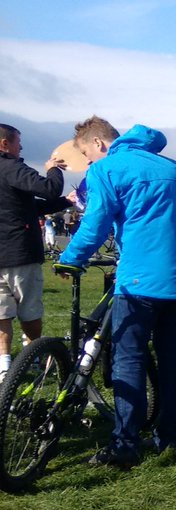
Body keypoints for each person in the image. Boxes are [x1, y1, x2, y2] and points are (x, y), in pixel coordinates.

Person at [57, 116, 176, 467]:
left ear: (99, 144)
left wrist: (71, 259)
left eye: (87, 154)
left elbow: (96, 222)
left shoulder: (108, 169)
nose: (88, 162)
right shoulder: (174, 168)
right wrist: (175, 229)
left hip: (138, 281)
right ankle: (168, 436)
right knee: (172, 360)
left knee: (128, 359)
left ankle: (126, 443)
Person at [0, 123, 71, 378]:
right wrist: (53, 169)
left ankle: (4, 366)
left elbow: (24, 208)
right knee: (28, 310)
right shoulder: (10, 166)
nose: (21, 147)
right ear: (4, 144)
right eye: (18, 142)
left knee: (1, 314)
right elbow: (49, 189)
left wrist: (66, 203)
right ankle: (33, 357)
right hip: (18, 252)